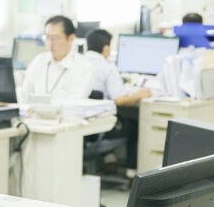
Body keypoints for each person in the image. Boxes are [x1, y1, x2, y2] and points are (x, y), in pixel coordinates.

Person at [85, 29, 151, 172]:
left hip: (83, 128)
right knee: (135, 126)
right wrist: (140, 94)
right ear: (106, 48)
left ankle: (110, 159)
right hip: (100, 129)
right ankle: (131, 174)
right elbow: (119, 100)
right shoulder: (107, 67)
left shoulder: (78, 63)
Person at [22, 15, 93, 103]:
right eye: (47, 38)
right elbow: (24, 95)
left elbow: (75, 102)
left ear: (71, 38)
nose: (50, 43)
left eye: (55, 38)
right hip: (33, 111)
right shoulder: (39, 60)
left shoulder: (84, 67)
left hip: (65, 112)